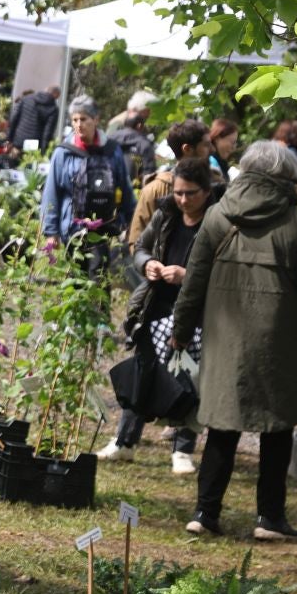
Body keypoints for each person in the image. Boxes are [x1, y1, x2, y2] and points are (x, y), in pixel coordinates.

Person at [172, 140, 297, 540]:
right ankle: (270, 518)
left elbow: (194, 281)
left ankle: (205, 513)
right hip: (284, 344)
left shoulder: (216, 216)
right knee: (276, 428)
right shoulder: (296, 223)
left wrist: (180, 329)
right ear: (285, 178)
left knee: (222, 426)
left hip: (225, 339)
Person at [98, 157, 216, 471]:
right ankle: (125, 440)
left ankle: (182, 449)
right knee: (143, 369)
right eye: (178, 192)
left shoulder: (216, 222)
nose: (183, 199)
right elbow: (139, 249)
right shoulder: (166, 215)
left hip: (195, 309)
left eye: (190, 193)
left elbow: (223, 270)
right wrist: (147, 264)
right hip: (156, 303)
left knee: (188, 377)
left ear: (206, 192)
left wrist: (186, 275)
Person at [40, 95, 135, 278]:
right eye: (75, 120)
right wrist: (51, 232)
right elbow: (51, 193)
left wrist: (131, 222)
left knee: (98, 276)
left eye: (83, 119)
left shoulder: (112, 150)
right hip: (72, 228)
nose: (78, 124)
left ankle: (97, 307)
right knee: (75, 278)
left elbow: (124, 188)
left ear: (96, 120)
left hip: (104, 226)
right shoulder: (64, 153)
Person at [127, 119, 213, 247]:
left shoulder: (216, 183)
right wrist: (149, 264)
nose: (212, 149)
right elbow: (136, 242)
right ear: (187, 149)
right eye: (206, 145)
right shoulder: (155, 189)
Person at [6, 85, 61, 152]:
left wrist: (9, 139)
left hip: (18, 140)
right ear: (56, 94)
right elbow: (48, 132)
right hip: (35, 145)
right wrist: (44, 151)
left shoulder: (26, 98)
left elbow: (14, 119)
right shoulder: (53, 109)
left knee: (14, 161)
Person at [108, 111, 157, 183]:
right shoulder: (144, 143)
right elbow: (149, 174)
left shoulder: (109, 139)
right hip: (134, 189)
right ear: (139, 126)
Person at [209, 117, 239, 182]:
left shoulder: (222, 164)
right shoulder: (210, 164)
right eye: (232, 142)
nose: (234, 147)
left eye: (235, 143)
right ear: (217, 139)